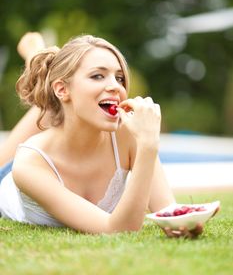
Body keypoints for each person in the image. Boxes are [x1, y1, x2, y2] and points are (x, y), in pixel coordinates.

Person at [0, 32, 202, 237]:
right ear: (61, 88)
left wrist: (182, 224)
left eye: (120, 77)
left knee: (63, 106)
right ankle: (35, 53)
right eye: (98, 75)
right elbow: (118, 229)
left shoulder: (127, 134)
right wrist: (148, 145)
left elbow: (168, 212)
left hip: (66, 106)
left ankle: (46, 62)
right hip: (7, 173)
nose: (116, 86)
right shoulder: (29, 162)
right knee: (47, 108)